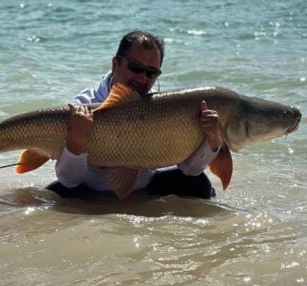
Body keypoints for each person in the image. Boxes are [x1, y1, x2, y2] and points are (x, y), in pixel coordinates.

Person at [46, 31, 223, 199]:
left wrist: (213, 141)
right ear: (115, 65)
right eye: (135, 68)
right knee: (52, 195)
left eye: (151, 73)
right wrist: (76, 143)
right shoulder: (82, 107)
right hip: (90, 193)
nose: (142, 78)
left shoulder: (161, 108)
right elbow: (69, 180)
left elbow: (191, 169)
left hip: (144, 189)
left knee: (199, 183)